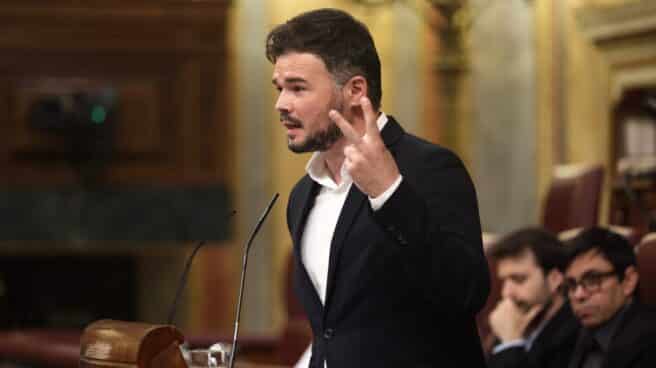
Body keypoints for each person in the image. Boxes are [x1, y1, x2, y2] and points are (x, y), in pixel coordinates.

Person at [266, 8, 490, 368]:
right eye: (280, 89)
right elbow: (333, 330)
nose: (281, 104)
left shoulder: (431, 168)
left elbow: (466, 291)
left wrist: (389, 193)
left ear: (356, 90)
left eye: (298, 88)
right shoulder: (302, 195)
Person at [486, 228, 579, 368]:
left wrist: (511, 343)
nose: (506, 293)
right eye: (504, 281)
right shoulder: (514, 320)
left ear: (554, 279)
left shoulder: (574, 332)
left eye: (519, 279)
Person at [564, 227, 656, 368]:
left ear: (628, 281)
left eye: (592, 280)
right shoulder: (571, 334)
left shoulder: (649, 342)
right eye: (571, 284)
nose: (578, 295)